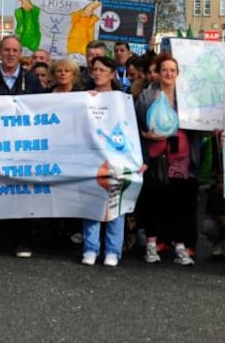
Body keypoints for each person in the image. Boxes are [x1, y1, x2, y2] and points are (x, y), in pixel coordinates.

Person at [135, 53, 207, 266]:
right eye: (164, 69)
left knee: (180, 205)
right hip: (156, 157)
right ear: (157, 73)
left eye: (172, 70)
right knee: (153, 202)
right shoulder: (147, 97)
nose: (168, 74)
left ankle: (180, 247)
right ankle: (151, 245)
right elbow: (135, 123)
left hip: (182, 160)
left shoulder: (188, 99)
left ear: (178, 74)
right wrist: (145, 135)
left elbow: (199, 126)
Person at [0, 35, 45, 258]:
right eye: (6, 50)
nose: (10, 54)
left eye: (15, 50)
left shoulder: (32, 81)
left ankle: (23, 242)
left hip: (23, 147)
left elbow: (42, 111)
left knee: (22, 192)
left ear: (20, 53)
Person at [81, 56, 132, 266]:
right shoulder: (83, 97)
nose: (98, 73)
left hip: (117, 156)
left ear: (112, 74)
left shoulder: (122, 99)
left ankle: (113, 250)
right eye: (95, 69)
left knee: (115, 201)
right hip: (90, 155)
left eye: (103, 70)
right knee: (91, 201)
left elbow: (130, 128)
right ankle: (91, 248)